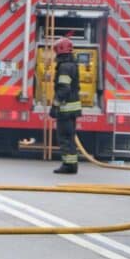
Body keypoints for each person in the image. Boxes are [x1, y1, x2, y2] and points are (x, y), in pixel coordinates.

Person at [50, 37, 81, 174]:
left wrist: (55, 104)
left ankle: (68, 166)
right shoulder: (72, 65)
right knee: (69, 138)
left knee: (64, 138)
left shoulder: (64, 67)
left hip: (65, 109)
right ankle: (72, 165)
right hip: (72, 109)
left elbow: (64, 88)